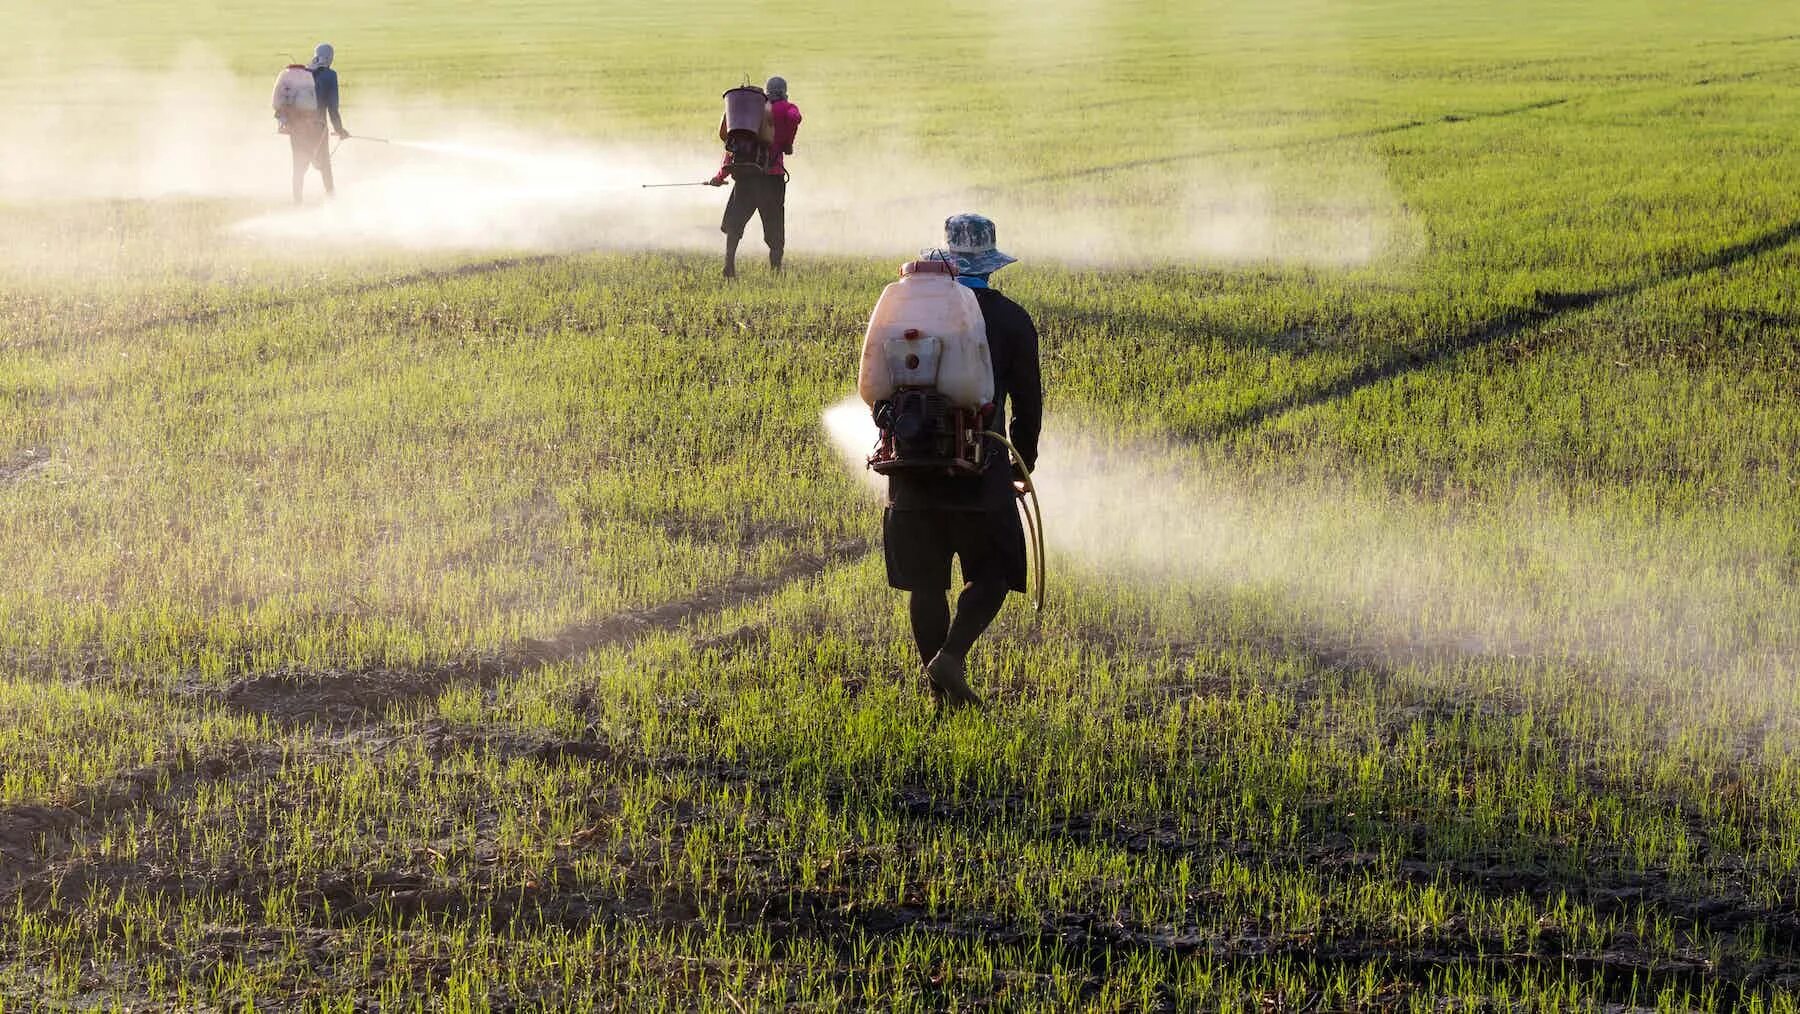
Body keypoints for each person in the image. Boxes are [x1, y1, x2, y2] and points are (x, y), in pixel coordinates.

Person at [882, 214, 1042, 711]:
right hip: (980, 469)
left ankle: (939, 694)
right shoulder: (1012, 318)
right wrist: (1020, 462)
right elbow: (1029, 404)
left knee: (926, 584)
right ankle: (951, 657)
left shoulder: (908, 311)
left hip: (910, 469)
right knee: (992, 573)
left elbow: (879, 385)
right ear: (990, 266)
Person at [706, 76, 802, 277]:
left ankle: (729, 266)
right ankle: (775, 272)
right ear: (784, 91)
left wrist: (720, 175)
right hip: (771, 179)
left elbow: (733, 149)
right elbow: (795, 117)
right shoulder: (785, 108)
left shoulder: (750, 112)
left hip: (746, 176)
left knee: (735, 224)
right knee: (775, 227)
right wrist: (787, 141)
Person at [289, 43, 349, 204]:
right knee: (325, 167)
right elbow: (333, 108)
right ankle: (332, 199)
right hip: (317, 128)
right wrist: (339, 130)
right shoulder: (330, 75)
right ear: (330, 58)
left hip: (296, 128)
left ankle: (297, 203)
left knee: (299, 166)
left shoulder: (302, 73)